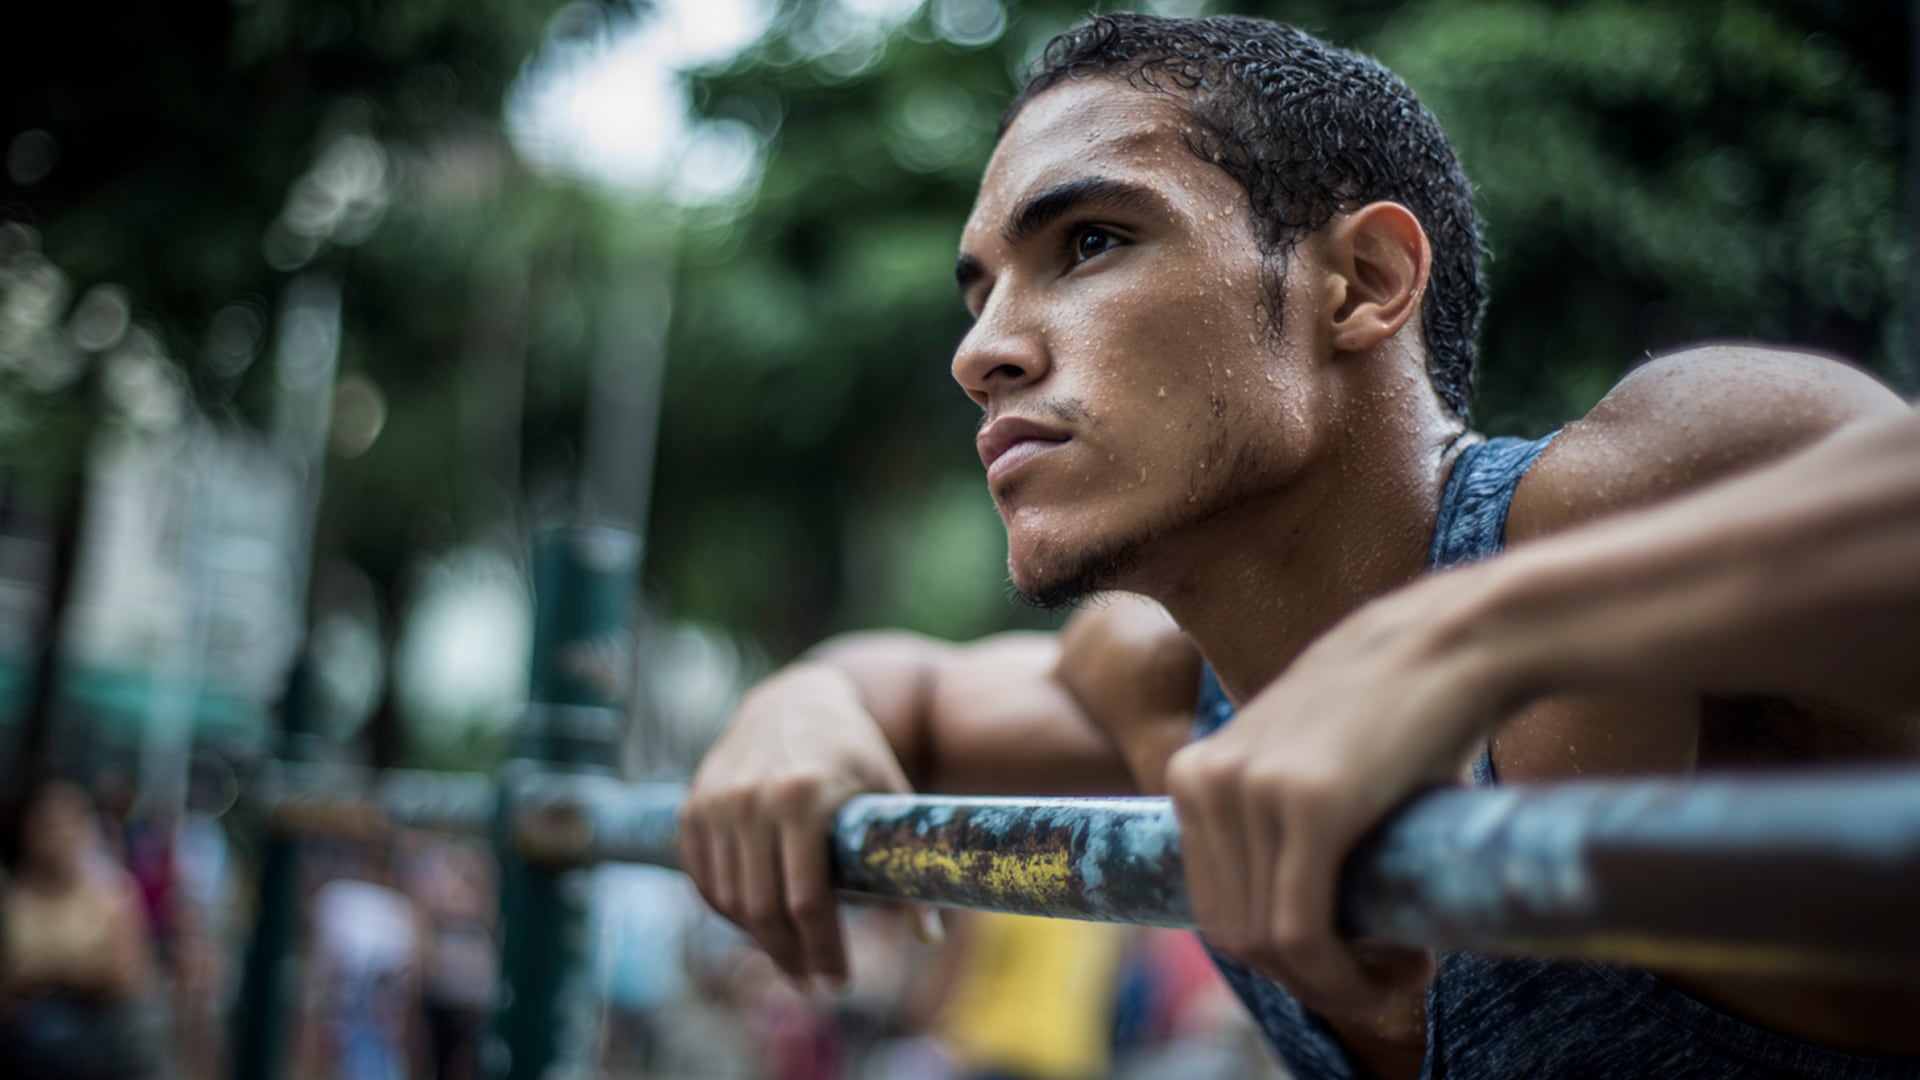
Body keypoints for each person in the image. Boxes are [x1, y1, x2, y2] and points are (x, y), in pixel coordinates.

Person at [680, 13, 1920, 1079]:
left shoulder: (1647, 494)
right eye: (982, 289)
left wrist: (1467, 640)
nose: (982, 350)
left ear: (1363, 281)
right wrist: (799, 700)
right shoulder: (1164, 684)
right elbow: (914, 692)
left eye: (1091, 242)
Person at [0, 775, 161, 1080]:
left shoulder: (114, 893)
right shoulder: (11, 896)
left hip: (97, 1041)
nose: (58, 833)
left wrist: (45, 974)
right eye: (47, 822)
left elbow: (126, 975)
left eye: (69, 822)